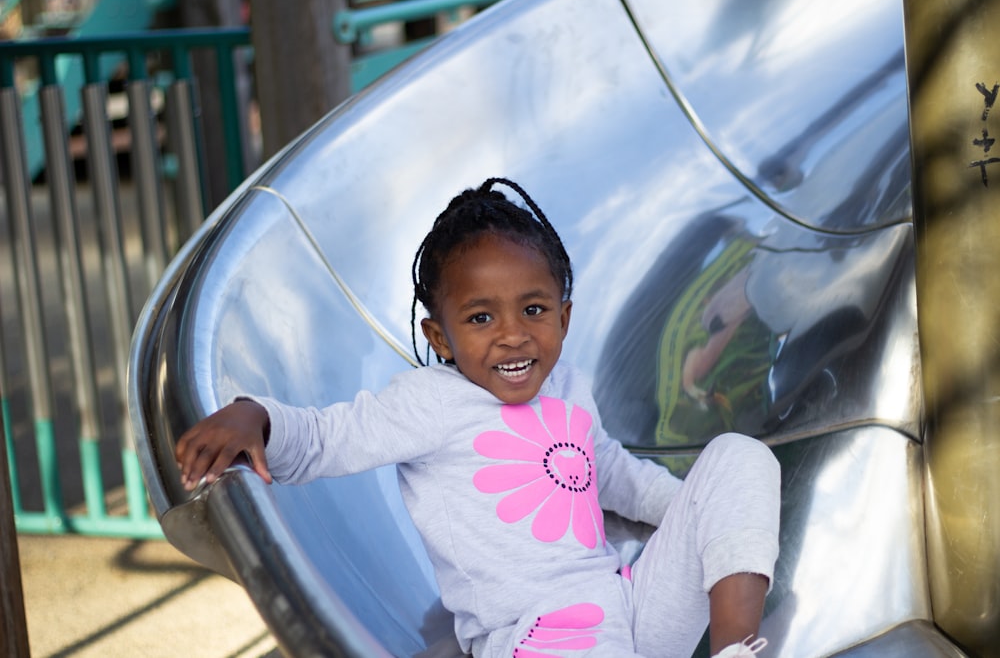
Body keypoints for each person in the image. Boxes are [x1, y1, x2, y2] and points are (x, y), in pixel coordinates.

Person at [175, 177, 781, 658]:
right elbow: (331, 436)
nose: (513, 336)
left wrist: (709, 515)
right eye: (481, 318)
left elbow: (617, 479)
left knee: (740, 455)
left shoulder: (569, 388)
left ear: (564, 320)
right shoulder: (431, 402)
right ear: (440, 336)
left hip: (629, 610)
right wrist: (257, 415)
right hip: (534, 636)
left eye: (534, 309)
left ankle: (735, 648)